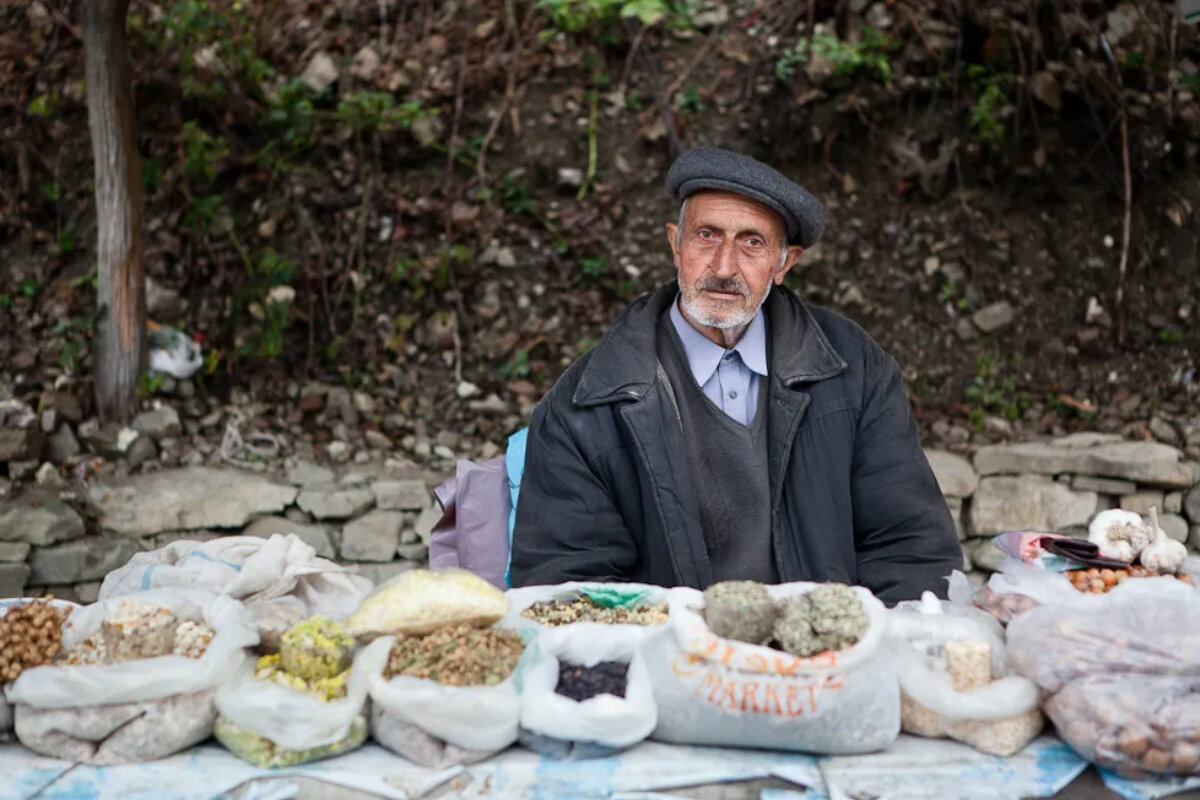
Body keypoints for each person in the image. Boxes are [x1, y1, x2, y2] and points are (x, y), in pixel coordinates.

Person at [509, 146, 960, 604]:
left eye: (752, 243)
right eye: (706, 235)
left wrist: (853, 653)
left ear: (784, 264)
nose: (724, 267)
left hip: (828, 658)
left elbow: (910, 549)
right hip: (672, 661)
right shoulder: (589, 401)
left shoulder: (853, 368)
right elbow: (569, 589)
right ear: (675, 244)